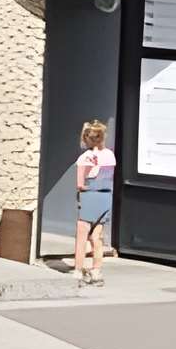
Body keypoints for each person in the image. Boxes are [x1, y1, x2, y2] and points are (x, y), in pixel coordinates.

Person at [68, 117, 117, 287]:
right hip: (105, 198)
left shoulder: (85, 158)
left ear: (86, 139)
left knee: (82, 236)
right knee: (97, 237)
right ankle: (96, 271)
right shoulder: (110, 155)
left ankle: (77, 270)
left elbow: (80, 184)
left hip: (90, 197)